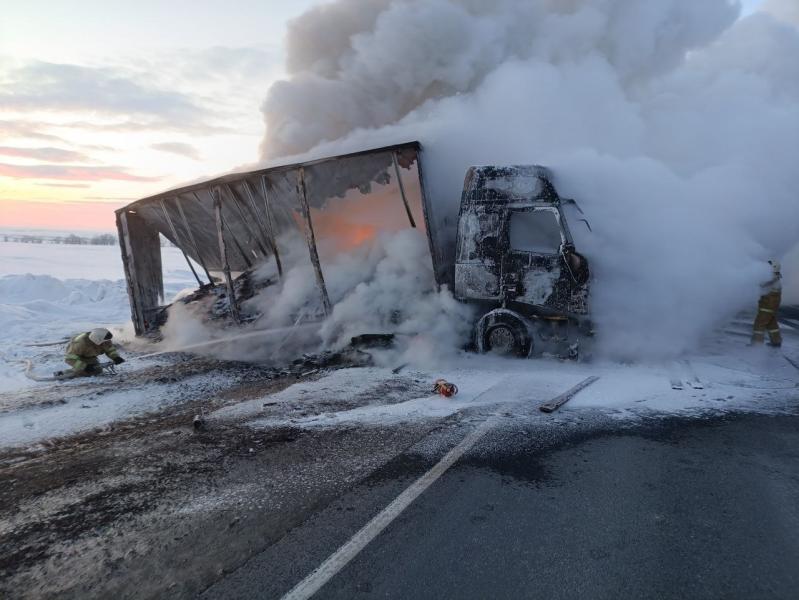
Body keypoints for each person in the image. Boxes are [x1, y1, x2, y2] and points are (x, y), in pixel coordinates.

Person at [751, 259, 782, 347]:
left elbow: (764, 284)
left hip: (768, 305)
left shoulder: (773, 277)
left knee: (759, 324)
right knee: (771, 323)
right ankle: (776, 341)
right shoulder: (776, 276)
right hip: (770, 305)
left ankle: (756, 345)